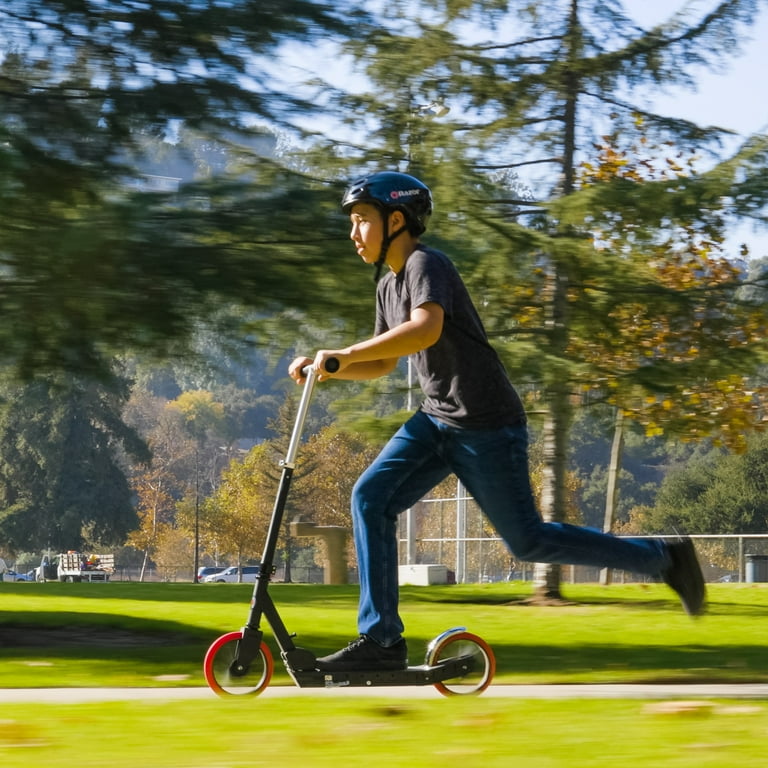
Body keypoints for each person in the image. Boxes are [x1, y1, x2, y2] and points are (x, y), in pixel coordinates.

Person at [288, 170, 706, 672]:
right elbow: (383, 362)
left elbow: (425, 329)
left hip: (487, 424)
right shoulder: (387, 286)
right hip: (436, 419)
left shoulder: (426, 264)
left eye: (361, 221)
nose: (353, 233)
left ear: (395, 220)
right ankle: (380, 640)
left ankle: (664, 557)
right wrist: (330, 367)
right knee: (370, 498)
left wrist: (344, 352)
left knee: (528, 541)